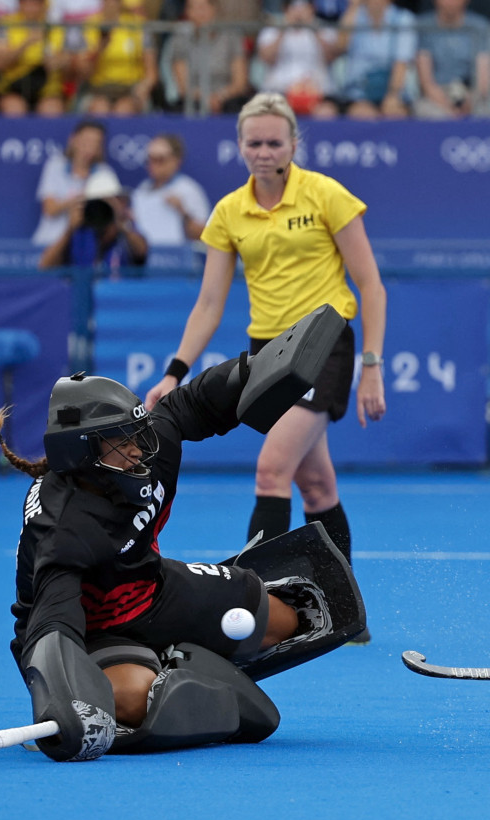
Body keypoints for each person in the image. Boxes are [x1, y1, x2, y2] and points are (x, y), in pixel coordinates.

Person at [0, 307, 363, 760]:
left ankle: (177, 650)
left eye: (134, 432)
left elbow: (190, 405)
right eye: (120, 441)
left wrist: (255, 372)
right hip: (92, 631)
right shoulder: (66, 528)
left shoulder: (148, 451)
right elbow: (52, 625)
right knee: (131, 701)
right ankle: (152, 671)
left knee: (294, 620)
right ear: (81, 452)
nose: (137, 448)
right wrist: (64, 701)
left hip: (154, 589)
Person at [143, 92, 387, 641]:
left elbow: (370, 284)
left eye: (275, 141)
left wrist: (371, 364)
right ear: (239, 146)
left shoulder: (326, 194)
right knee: (317, 485)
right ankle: (348, 616)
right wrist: (174, 373)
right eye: (253, 142)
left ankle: (254, 613)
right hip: (268, 352)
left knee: (271, 470)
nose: (264, 150)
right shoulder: (230, 210)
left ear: (294, 144)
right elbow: (209, 303)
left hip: (324, 344)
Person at [38, 168, 148, 270]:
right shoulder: (79, 232)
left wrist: (121, 223)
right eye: (98, 202)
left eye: (107, 202)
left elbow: (142, 252)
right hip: (83, 290)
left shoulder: (126, 229)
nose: (101, 208)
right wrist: (69, 230)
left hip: (118, 290)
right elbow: (45, 266)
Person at [31, 119, 117, 246]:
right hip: (49, 243)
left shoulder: (105, 173)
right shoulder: (55, 166)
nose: (90, 148)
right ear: (73, 139)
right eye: (86, 141)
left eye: (96, 143)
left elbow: (111, 216)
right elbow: (49, 209)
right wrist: (83, 198)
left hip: (84, 249)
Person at [329, 0, 418, 119]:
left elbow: (401, 62)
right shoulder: (353, 16)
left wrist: (393, 95)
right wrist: (353, 6)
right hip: (358, 92)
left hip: (391, 88)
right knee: (362, 116)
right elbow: (340, 46)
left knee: (395, 115)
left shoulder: (403, 18)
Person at [254, 0, 341, 118]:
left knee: (327, 113)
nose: (298, 12)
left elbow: (331, 57)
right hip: (279, 91)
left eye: (303, 8)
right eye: (294, 8)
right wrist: (284, 28)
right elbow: (267, 58)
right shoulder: (272, 30)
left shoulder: (325, 29)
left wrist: (313, 28)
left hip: (318, 92)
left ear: (312, 9)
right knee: (271, 113)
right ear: (285, 10)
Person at [166, 0, 253, 115]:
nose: (199, 13)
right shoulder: (180, 40)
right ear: (187, 12)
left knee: (241, 108)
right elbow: (184, 87)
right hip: (195, 98)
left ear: (214, 9)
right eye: (193, 8)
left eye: (203, 7)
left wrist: (219, 97)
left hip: (228, 98)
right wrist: (206, 99)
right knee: (179, 110)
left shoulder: (231, 37)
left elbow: (240, 82)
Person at [72, 0, 158, 115]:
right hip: (98, 89)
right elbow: (82, 72)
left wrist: (144, 87)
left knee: (124, 110)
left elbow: (151, 71)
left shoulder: (137, 24)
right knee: (100, 109)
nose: (111, 4)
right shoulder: (89, 25)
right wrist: (99, 49)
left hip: (130, 88)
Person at [0, 0, 72, 116]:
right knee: (14, 109)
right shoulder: (6, 25)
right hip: (14, 86)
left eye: (36, 3)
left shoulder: (56, 26)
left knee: (51, 110)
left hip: (47, 89)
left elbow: (67, 60)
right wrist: (25, 44)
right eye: (26, 3)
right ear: (19, 4)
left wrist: (57, 62)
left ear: (44, 5)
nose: (31, 7)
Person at [412, 0, 490, 118]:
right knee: (429, 113)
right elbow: (426, 81)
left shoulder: (479, 26)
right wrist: (448, 108)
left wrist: (470, 101)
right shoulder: (424, 26)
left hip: (470, 93)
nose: (450, 2)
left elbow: (483, 78)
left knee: (485, 112)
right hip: (436, 95)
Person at [130, 133, 211, 247]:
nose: (153, 165)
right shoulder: (142, 189)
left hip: (178, 261)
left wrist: (183, 213)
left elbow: (205, 235)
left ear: (175, 161)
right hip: (146, 261)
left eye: (159, 159)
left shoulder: (188, 189)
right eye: (149, 159)